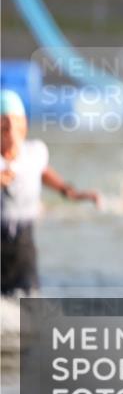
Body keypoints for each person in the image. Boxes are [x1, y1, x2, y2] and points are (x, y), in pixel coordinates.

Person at [1, 90, 101, 296]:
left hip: (23, 245)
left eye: (15, 122)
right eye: (4, 123)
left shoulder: (35, 152)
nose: (11, 129)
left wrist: (72, 192)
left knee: (28, 304)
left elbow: (44, 173)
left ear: (25, 124)